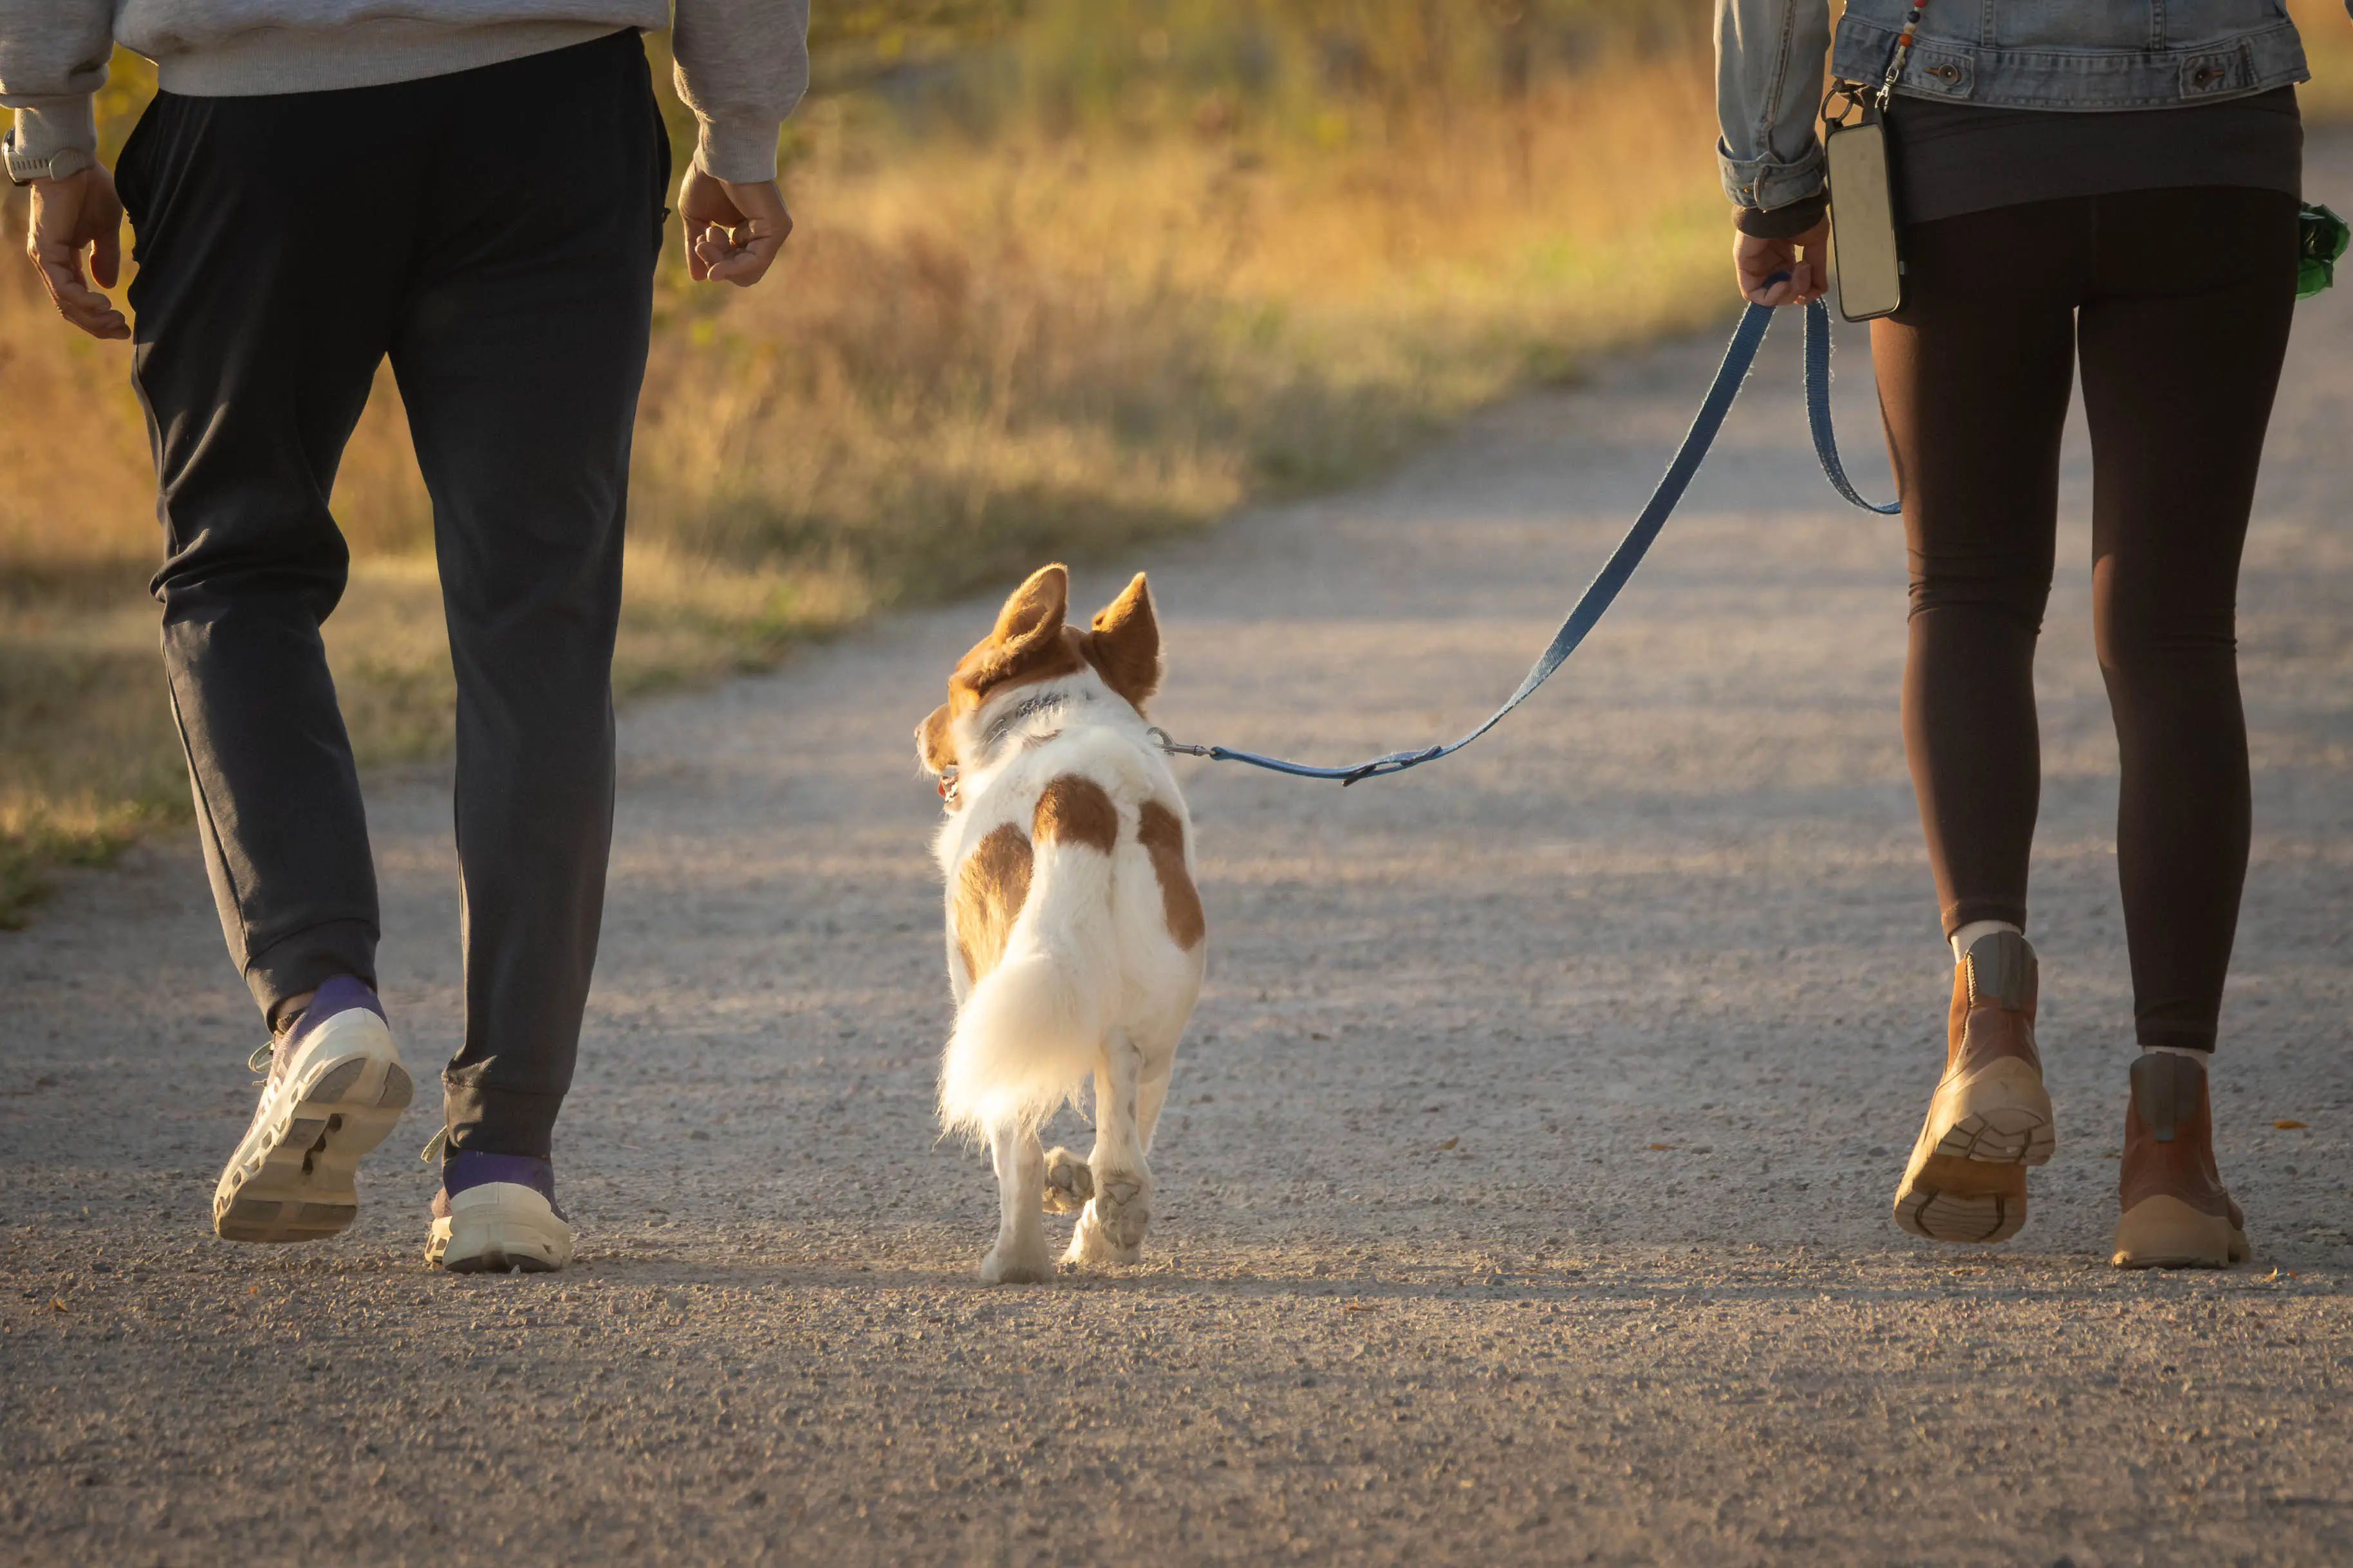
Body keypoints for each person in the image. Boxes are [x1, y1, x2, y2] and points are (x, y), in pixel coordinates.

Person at [2, 1, 809, 1271]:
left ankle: (321, 1001)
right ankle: (502, 1163)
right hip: (553, 108)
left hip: (255, 118)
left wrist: (50, 132)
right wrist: (743, 124)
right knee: (536, 622)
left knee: (237, 572)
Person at [1715, 0, 2329, 1267]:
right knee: (2173, 634)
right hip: (2211, 145)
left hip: (1959, 140)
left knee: (1969, 593)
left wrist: (1773, 184)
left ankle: (1989, 1022)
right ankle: (2169, 1157)